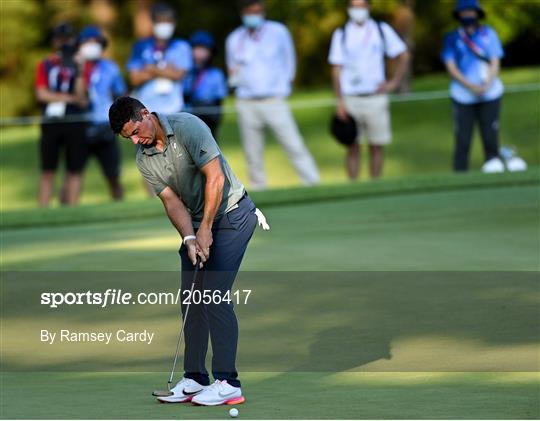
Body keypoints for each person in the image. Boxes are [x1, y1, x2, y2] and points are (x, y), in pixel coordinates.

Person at [108, 96, 269, 406]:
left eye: (136, 131)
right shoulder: (144, 158)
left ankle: (228, 382)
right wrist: (190, 238)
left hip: (233, 216)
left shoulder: (188, 127)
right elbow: (172, 202)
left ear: (146, 114)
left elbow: (216, 177)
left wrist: (206, 228)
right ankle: (195, 378)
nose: (135, 140)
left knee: (213, 295)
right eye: (127, 137)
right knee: (192, 299)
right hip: (196, 223)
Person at [225, 0, 320, 190]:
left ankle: (313, 184)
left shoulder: (278, 32)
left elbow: (289, 60)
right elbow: (232, 70)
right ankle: (260, 189)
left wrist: (285, 85)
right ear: (243, 13)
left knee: (293, 144)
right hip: (246, 101)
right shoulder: (235, 39)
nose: (254, 15)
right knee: (253, 153)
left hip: (274, 99)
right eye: (250, 11)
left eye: (257, 11)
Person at [328, 0, 409, 180]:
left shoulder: (381, 29)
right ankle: (354, 188)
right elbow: (336, 69)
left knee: (376, 145)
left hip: (376, 97)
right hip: (350, 98)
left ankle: (375, 186)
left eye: (361, 6)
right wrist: (339, 101)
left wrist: (394, 82)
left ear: (369, 7)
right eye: (354, 6)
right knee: (352, 146)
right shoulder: (341, 33)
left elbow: (402, 54)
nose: (358, 10)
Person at [442, 0, 504, 172]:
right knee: (463, 140)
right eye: (464, 12)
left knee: (490, 138)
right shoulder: (452, 37)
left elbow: (495, 61)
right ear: (458, 14)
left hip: (490, 94)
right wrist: (471, 86)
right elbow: (451, 67)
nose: (468, 15)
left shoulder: (488, 33)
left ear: (477, 13)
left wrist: (486, 85)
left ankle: (495, 172)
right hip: (462, 96)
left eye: (471, 11)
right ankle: (460, 178)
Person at [35, 22, 88, 206]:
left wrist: (80, 71)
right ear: (55, 41)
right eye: (61, 39)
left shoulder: (80, 64)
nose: (65, 43)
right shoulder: (46, 64)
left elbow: (81, 98)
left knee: (74, 169)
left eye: (68, 39)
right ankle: (42, 211)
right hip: (51, 120)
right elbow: (41, 93)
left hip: (74, 120)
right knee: (48, 169)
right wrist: (67, 97)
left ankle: (70, 208)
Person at [78, 25, 127, 200]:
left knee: (113, 174)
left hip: (104, 124)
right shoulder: (74, 67)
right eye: (87, 42)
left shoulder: (110, 67)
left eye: (95, 42)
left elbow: (121, 94)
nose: (92, 45)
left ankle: (120, 208)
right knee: (74, 174)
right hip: (79, 125)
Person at [126, 3, 192, 114]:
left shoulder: (182, 46)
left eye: (168, 22)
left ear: (174, 23)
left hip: (174, 108)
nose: (164, 25)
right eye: (161, 22)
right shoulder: (140, 46)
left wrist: (151, 69)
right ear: (153, 23)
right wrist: (167, 71)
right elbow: (135, 79)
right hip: (146, 109)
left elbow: (179, 75)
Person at [183, 30, 228, 139]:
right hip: (187, 121)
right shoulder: (185, 73)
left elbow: (218, 105)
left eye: (205, 49)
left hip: (209, 122)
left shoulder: (216, 74)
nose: (200, 53)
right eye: (197, 48)